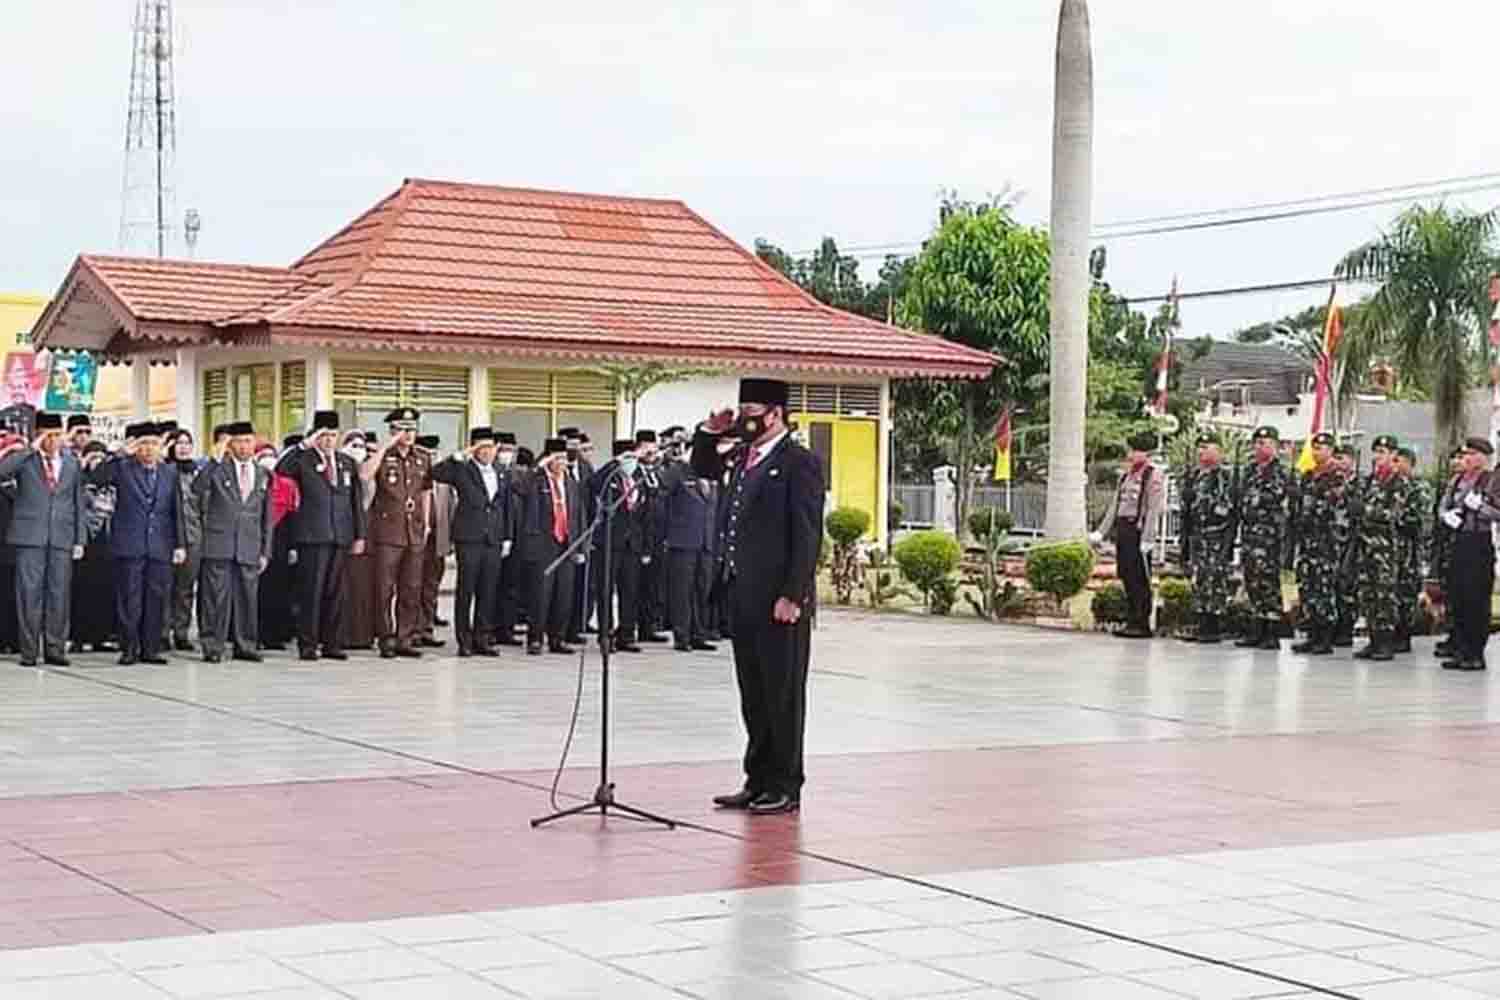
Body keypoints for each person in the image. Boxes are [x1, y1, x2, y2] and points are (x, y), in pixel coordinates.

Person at [692, 378, 824, 816]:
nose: (745, 417)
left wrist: (793, 593)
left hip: (778, 600)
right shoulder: (742, 459)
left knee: (782, 693)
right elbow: (702, 468)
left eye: (752, 409)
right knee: (754, 693)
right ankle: (758, 777)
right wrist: (710, 432)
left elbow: (807, 535)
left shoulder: (798, 462)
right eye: (741, 408)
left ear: (775, 414)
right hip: (741, 594)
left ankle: (786, 783)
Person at [88, 422, 188, 665]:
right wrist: (121, 452)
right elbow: (97, 476)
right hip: (129, 543)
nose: (149, 449)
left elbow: (177, 510)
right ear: (136, 446)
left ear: (161, 447)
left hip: (160, 544)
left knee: (156, 598)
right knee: (129, 598)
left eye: (153, 444)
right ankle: (129, 647)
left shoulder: (169, 472)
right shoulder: (122, 468)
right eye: (143, 444)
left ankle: (151, 649)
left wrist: (180, 544)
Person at [276, 411, 367, 661]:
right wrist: (303, 445)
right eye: (323, 435)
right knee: (311, 592)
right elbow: (281, 470)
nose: (328, 440)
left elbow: (355, 500)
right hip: (313, 536)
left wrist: (359, 534)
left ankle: (332, 643)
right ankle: (308, 643)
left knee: (336, 593)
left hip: (340, 535)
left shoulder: (345, 462)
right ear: (316, 436)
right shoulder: (303, 460)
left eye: (333, 435)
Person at [0, 412, 87, 666]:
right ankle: (29, 651)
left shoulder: (71, 463)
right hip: (30, 537)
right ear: (38, 435)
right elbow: (2, 471)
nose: (53, 441)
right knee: (29, 593)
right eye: (48, 435)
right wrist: (30, 449)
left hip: (62, 537)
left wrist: (79, 539)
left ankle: (55, 648)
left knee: (59, 593)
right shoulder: (25, 460)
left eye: (57, 435)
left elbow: (77, 502)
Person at [430, 427, 513, 656]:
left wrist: (507, 536)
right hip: (469, 537)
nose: (487, 452)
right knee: (467, 590)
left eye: (490, 447)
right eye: (481, 448)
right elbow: (435, 473)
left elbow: (506, 507)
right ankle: (464, 640)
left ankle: (482, 638)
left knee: (488, 591)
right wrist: (459, 455)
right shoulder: (462, 469)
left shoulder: (501, 471)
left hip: (493, 538)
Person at [194, 421, 273, 663]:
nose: (244, 446)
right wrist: (214, 459)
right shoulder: (219, 469)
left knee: (247, 599)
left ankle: (246, 645)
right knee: (215, 598)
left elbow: (266, 515)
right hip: (219, 543)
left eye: (248, 441)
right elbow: (198, 488)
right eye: (238, 441)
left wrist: (265, 550)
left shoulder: (263, 473)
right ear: (230, 444)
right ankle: (212, 645)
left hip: (249, 545)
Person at [359, 409, 431, 659]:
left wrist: (427, 523)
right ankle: (385, 637)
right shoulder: (381, 455)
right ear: (392, 431)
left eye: (412, 429)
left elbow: (425, 492)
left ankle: (405, 637)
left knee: (411, 588)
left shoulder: (422, 457)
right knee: (384, 588)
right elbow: (364, 475)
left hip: (414, 532)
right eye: (403, 429)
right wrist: (383, 447)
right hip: (388, 532)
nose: (409, 434)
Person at [1091, 432, 1164, 639]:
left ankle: (1142, 622)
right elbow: (1115, 506)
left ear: (1145, 453)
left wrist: (1148, 538)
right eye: (1130, 450)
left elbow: (1153, 509)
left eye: (1135, 451)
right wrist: (1101, 532)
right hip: (1124, 529)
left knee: (1140, 577)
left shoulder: (1152, 475)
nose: (1131, 455)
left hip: (1139, 531)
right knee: (1126, 574)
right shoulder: (1126, 475)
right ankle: (1131, 618)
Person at [1437, 437, 1500, 671]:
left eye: (1473, 454)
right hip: (1458, 541)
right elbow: (1444, 505)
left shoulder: (1492, 480)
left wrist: (1481, 508)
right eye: (1465, 454)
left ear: (1484, 457)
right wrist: (1446, 515)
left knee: (1476, 599)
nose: (1467, 458)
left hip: (1479, 542)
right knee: (1458, 596)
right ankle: (1461, 648)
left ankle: (1475, 653)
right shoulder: (1457, 480)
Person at [519, 437, 583, 655]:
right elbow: (518, 487)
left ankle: (558, 638)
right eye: (557, 459)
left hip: (566, 544)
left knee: (563, 594)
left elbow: (579, 515)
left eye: (564, 459)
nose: (562, 463)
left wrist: (580, 547)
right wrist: (538, 467)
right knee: (540, 594)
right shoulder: (536, 481)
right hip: (543, 545)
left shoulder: (570, 483)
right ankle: (535, 638)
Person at [1235, 426, 1293, 650]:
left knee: (1269, 583)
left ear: (1276, 447)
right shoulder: (1249, 471)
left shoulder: (1282, 472)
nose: (1260, 447)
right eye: (1257, 443)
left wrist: (1256, 499)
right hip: (1250, 535)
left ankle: (1272, 631)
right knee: (1252, 582)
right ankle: (1256, 628)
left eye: (1266, 443)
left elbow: (1276, 497)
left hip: (1270, 537)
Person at [1352, 434, 1408, 662]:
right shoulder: (1369, 481)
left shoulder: (1398, 482)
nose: (1378, 457)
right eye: (1376, 452)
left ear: (1394, 455)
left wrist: (1364, 510)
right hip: (1365, 545)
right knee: (1368, 594)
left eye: (1383, 452)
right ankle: (1373, 639)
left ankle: (1386, 642)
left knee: (1384, 594)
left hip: (1384, 548)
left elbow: (1393, 514)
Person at [591, 440, 650, 653]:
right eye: (628, 458)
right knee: (605, 590)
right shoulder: (609, 478)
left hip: (632, 544)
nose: (632, 463)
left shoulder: (639, 478)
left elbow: (646, 514)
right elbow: (593, 484)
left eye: (634, 458)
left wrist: (646, 547)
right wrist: (613, 464)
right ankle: (605, 635)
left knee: (630, 590)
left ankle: (627, 634)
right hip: (609, 543)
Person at [1290, 432, 1346, 655]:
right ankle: (1312, 633)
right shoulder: (1308, 476)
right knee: (1308, 586)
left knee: (1323, 588)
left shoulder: (1336, 476)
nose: (1316, 452)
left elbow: (1333, 507)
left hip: (1326, 541)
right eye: (1314, 448)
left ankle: (1324, 636)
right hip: (1307, 540)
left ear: (1331, 450)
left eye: (1321, 448)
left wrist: (1311, 508)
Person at [1181, 434, 1235, 644]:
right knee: (1200, 579)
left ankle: (1213, 625)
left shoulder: (1223, 476)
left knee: (1214, 579)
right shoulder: (1195, 475)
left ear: (1218, 451)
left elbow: (1226, 506)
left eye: (1206, 447)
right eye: (1199, 448)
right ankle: (1201, 621)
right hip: (1198, 535)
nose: (1201, 451)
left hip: (1216, 535)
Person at [71, 441, 118, 654]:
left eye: (101, 457)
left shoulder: (111, 486)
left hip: (107, 542)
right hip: (84, 541)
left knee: (105, 590)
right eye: (92, 457)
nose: (97, 462)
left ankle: (102, 636)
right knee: (81, 590)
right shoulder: (79, 482)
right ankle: (79, 637)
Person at [666, 467, 719, 652]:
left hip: (706, 542)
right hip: (683, 541)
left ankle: (699, 633)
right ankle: (682, 636)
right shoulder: (678, 473)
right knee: (682, 591)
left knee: (702, 589)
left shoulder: (713, 475)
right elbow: (663, 497)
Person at [163, 428, 203, 652]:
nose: (184, 447)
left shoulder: (197, 472)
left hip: (194, 536)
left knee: (185, 588)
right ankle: (161, 632)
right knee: (165, 586)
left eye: (188, 442)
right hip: (168, 537)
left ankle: (181, 632)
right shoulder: (164, 471)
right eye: (178, 442)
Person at [259, 435, 301, 651]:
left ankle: (277, 634)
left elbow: (294, 517)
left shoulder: (287, 485)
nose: (267, 460)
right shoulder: (253, 483)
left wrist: (293, 547)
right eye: (263, 456)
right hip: (256, 544)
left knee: (280, 589)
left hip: (281, 544)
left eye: (270, 455)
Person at [340, 431, 378, 651]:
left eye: (361, 445)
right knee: (343, 588)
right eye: (352, 444)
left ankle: (363, 635)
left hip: (368, 536)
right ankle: (342, 634)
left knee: (364, 588)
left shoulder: (366, 468)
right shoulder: (340, 466)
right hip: (343, 534)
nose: (358, 449)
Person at [415, 433, 452, 649]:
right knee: (413, 586)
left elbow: (450, 509)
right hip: (418, 536)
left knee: (431, 586)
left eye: (434, 453)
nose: (431, 456)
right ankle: (412, 630)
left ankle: (427, 628)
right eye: (427, 452)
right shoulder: (416, 474)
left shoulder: (444, 479)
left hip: (439, 539)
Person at [1391, 447, 1428, 654]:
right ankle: (1393, 632)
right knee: (1393, 591)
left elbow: (1418, 519)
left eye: (1400, 461)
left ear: (1410, 463)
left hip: (1409, 549)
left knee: (1406, 592)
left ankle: (1404, 635)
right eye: (1394, 461)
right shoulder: (1393, 485)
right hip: (1392, 548)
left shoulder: (1418, 487)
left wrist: (1393, 518)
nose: (1396, 466)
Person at [559, 427, 594, 644]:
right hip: (559, 534)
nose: (573, 449)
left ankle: (575, 628)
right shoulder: (552, 466)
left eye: (576, 445)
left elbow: (591, 502)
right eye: (569, 445)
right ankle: (555, 630)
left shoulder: (585, 468)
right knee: (560, 588)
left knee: (580, 585)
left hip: (582, 535)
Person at [492, 431, 525, 646]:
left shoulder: (516, 472)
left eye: (511, 451)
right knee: (491, 587)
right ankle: (490, 628)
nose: (508, 454)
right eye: (504, 450)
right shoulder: (491, 471)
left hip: (516, 537)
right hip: (495, 536)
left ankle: (507, 628)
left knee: (511, 586)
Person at [1433, 448, 1465, 660]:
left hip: (1465, 541)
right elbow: (1442, 507)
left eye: (1461, 457)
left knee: (1462, 593)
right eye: (1454, 457)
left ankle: (1459, 638)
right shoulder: (1452, 482)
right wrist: (1445, 515)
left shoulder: (1479, 482)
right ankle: (1452, 636)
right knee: (1449, 591)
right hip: (1447, 541)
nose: (1457, 461)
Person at [1332, 444, 1361, 646]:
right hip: (1331, 540)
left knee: (1348, 585)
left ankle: (1346, 628)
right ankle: (1333, 627)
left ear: (1352, 461)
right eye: (1336, 458)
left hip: (1352, 540)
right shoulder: (1330, 483)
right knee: (1331, 584)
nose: (1338, 463)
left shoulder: (1362, 484)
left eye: (1341, 458)